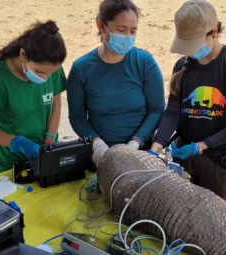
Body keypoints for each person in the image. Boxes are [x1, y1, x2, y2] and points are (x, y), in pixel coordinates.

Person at [150, 0, 226, 201]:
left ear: (213, 32)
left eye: (194, 43)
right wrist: (155, 149)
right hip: (183, 153)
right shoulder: (182, 66)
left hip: (219, 162)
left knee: (214, 217)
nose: (189, 51)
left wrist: (201, 146)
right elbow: (172, 112)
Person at [67, 0, 165, 167]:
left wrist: (136, 143)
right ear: (101, 25)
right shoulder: (81, 69)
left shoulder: (145, 62)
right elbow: (77, 118)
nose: (127, 36)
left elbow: (156, 110)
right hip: (100, 156)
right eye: (121, 30)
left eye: (133, 31)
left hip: (140, 154)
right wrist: (97, 145)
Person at [0, 21, 67, 173]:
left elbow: (56, 102)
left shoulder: (51, 68)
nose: (45, 79)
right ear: (23, 55)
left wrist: (50, 137)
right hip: (10, 161)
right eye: (39, 72)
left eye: (50, 74)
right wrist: (17, 142)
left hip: (47, 152)